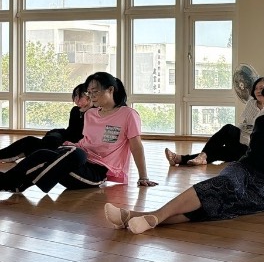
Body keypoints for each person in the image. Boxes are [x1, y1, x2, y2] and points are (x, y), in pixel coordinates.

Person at [105, 78, 264, 235]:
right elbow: (252, 154)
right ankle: (152, 218)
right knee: (225, 184)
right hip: (244, 169)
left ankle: (134, 216)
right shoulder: (262, 122)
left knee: (220, 205)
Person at [0, 72, 157, 192]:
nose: (91, 96)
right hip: (75, 160)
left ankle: (10, 182)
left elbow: (136, 146)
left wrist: (143, 176)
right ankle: (11, 183)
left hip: (95, 172)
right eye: (89, 92)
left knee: (76, 154)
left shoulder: (128, 114)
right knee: (43, 153)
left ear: (110, 90)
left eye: (95, 91)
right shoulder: (90, 114)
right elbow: (85, 142)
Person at [165, 77, 264, 166]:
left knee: (218, 151)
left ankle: (180, 158)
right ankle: (197, 157)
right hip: (241, 141)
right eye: (256, 88)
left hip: (252, 149)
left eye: (261, 88)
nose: (258, 91)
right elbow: (244, 124)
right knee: (228, 129)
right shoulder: (251, 103)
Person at [0, 82, 91, 163]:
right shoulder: (75, 110)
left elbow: (85, 136)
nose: (76, 99)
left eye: (79, 96)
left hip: (75, 143)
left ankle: (18, 155)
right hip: (66, 136)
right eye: (75, 96)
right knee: (30, 140)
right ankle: (6, 154)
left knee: (47, 143)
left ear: (88, 96)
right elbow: (71, 129)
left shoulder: (94, 113)